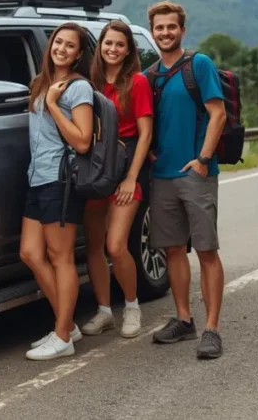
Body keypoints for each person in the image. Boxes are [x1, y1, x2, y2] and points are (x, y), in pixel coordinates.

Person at [143, 0, 227, 360]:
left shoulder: (198, 64)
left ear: (182, 30)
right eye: (159, 28)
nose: (165, 33)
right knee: (173, 249)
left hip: (196, 173)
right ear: (153, 31)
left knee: (206, 250)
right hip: (162, 177)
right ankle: (183, 319)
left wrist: (204, 160)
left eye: (171, 27)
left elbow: (217, 113)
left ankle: (212, 328)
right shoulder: (149, 76)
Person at [20, 21, 95, 361]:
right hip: (37, 177)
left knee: (60, 257)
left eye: (70, 45)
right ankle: (67, 324)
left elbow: (82, 141)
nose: (61, 48)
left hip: (61, 180)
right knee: (30, 253)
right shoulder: (41, 82)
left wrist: (52, 104)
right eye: (58, 42)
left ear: (79, 54)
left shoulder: (77, 89)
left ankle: (63, 334)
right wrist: (45, 95)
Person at [78, 20, 153, 339]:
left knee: (116, 244)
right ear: (101, 46)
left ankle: (132, 307)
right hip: (95, 169)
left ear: (129, 50)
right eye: (108, 43)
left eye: (120, 44)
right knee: (94, 246)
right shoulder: (87, 82)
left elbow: (146, 132)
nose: (113, 49)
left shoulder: (136, 82)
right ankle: (105, 311)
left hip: (125, 168)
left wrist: (130, 178)